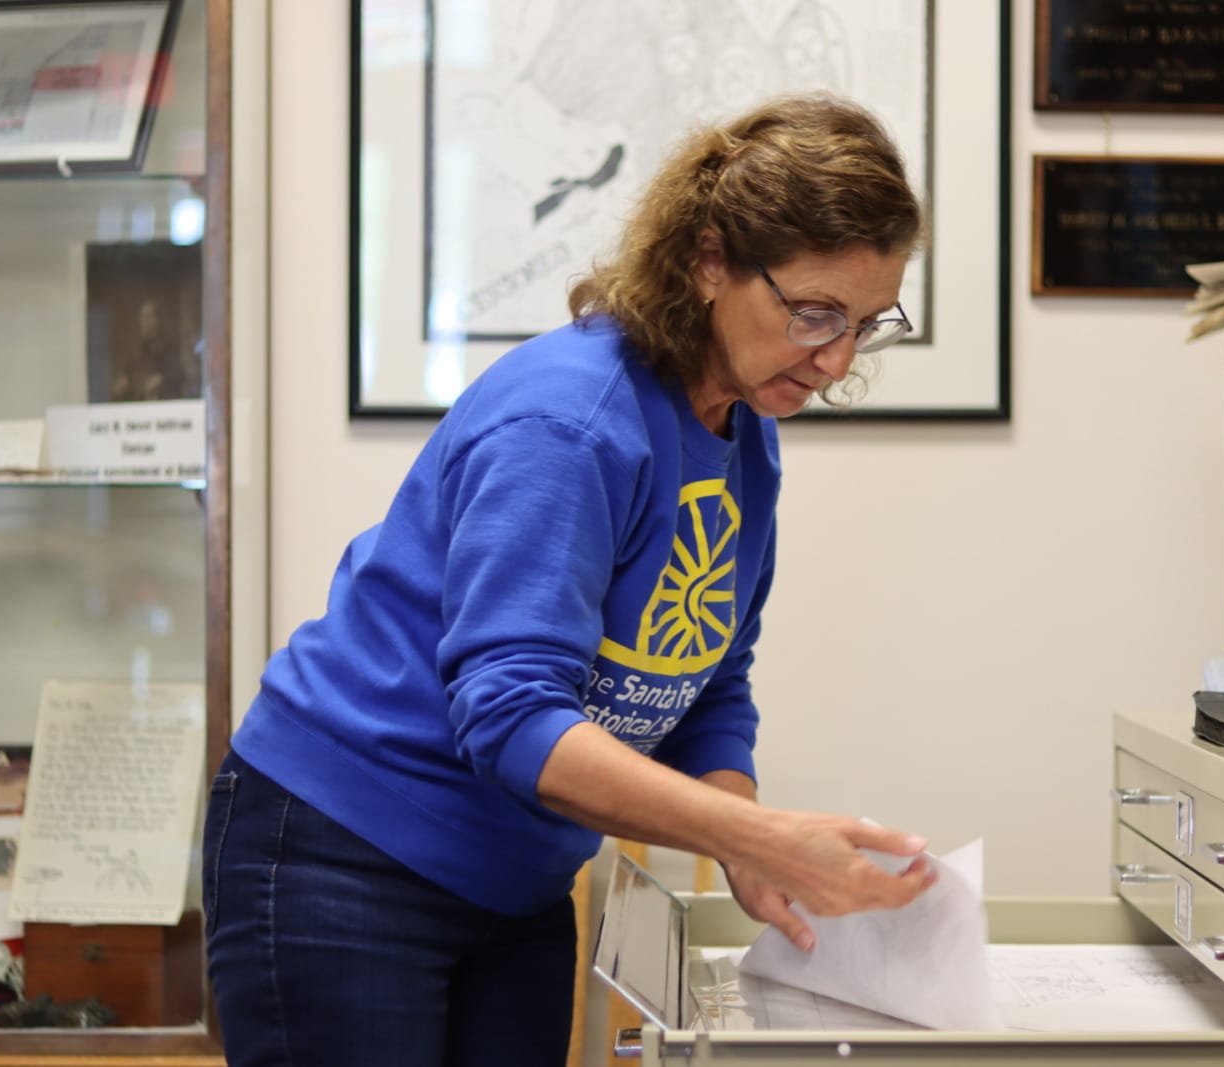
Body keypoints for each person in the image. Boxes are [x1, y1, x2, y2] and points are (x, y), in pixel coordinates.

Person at [203, 92, 936, 1067]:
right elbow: (507, 717)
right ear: (709, 260)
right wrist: (756, 832)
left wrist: (744, 844)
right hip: (346, 849)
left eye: (864, 323)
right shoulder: (574, 421)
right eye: (811, 313)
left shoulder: (742, 436)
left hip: (517, 879)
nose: (837, 358)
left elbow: (706, 680)